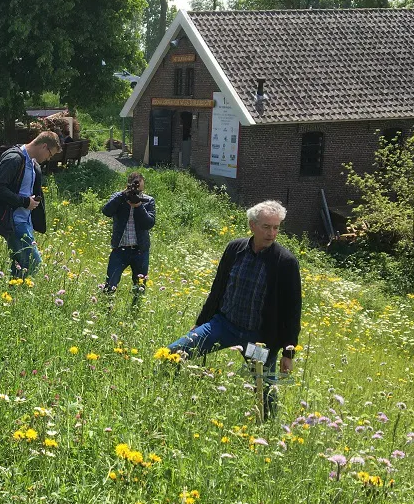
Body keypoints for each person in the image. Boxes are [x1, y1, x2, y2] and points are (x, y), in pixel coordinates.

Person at [167, 200, 302, 418]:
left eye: (276, 227)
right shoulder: (235, 248)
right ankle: (167, 398)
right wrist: (202, 322)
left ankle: (267, 431)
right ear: (252, 225)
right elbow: (218, 287)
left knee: (264, 391)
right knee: (171, 354)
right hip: (223, 325)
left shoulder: (285, 262)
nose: (272, 233)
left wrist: (288, 352)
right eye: (266, 227)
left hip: (257, 339)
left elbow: (293, 310)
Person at [0, 131, 60, 276]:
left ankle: (13, 294)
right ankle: (20, 292)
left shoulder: (33, 163)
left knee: (20, 266)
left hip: (25, 221)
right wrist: (24, 201)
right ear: (44, 146)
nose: (48, 158)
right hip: (14, 221)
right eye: (50, 154)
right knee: (34, 264)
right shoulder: (14, 158)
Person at [101, 172, 155, 300]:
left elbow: (149, 223)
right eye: (135, 190)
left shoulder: (148, 200)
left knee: (140, 287)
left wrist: (138, 206)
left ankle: (136, 311)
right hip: (120, 248)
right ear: (127, 186)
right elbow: (106, 211)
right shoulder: (119, 198)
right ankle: (106, 308)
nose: (138, 194)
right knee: (110, 284)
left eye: (140, 191)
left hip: (140, 250)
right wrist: (122, 195)